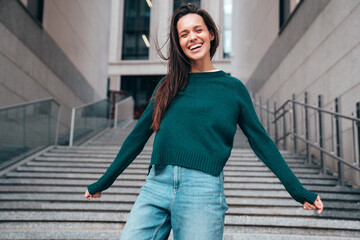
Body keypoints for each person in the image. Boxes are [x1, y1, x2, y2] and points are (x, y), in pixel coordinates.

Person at [84, 3, 323, 240]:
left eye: (197, 30)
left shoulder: (232, 89)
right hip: (156, 184)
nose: (192, 38)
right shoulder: (167, 87)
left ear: (210, 33)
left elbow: (261, 141)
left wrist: (297, 190)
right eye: (184, 34)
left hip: (203, 189)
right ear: (178, 43)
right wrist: (104, 182)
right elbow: (136, 138)